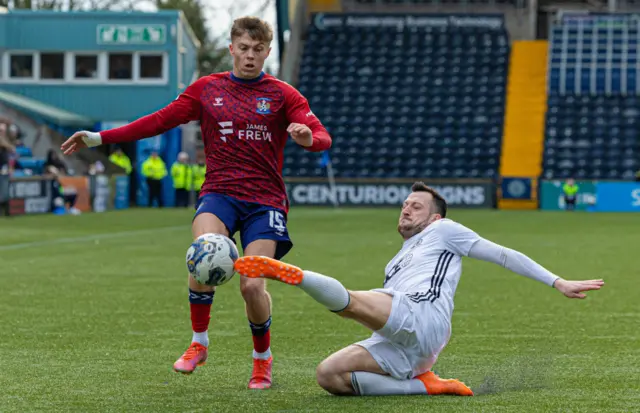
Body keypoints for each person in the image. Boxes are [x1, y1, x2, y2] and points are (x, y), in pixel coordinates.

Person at [60, 16, 331, 389]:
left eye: (258, 50)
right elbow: (159, 121)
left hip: (264, 200)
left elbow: (322, 136)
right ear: (231, 48)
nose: (250, 56)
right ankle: (199, 343)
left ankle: (262, 359)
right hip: (219, 193)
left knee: (252, 286)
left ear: (267, 52)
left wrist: (306, 137)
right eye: (243, 48)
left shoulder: (283, 94)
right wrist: (98, 138)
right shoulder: (207, 89)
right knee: (202, 254)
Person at [233, 182, 605, 397]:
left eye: (416, 206)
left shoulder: (444, 231)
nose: (406, 210)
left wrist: (557, 281)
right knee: (329, 376)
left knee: (352, 304)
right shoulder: (396, 261)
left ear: (435, 217)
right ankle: (425, 386)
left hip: (423, 316)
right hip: (407, 342)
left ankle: (289, 273)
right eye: (405, 205)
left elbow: (503, 255)